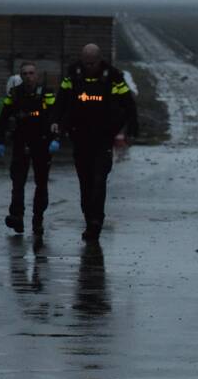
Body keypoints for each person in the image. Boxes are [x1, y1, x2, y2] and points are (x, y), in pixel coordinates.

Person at [54, 43, 138, 241]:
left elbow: (128, 103)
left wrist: (131, 128)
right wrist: (56, 122)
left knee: (99, 180)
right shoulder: (73, 74)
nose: (89, 66)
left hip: (103, 137)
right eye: (86, 62)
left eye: (92, 62)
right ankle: (88, 217)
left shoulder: (113, 76)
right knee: (85, 182)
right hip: (80, 136)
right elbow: (61, 100)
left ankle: (96, 222)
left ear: (99, 60)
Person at [0, 61, 60, 235]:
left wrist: (56, 138)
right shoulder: (15, 94)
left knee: (41, 184)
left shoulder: (46, 93)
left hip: (42, 143)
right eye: (24, 73)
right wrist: (0, 140)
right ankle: (16, 217)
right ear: (21, 76)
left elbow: (54, 114)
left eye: (31, 73)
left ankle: (37, 219)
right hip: (20, 143)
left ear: (36, 75)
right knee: (17, 183)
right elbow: (3, 117)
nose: (28, 76)